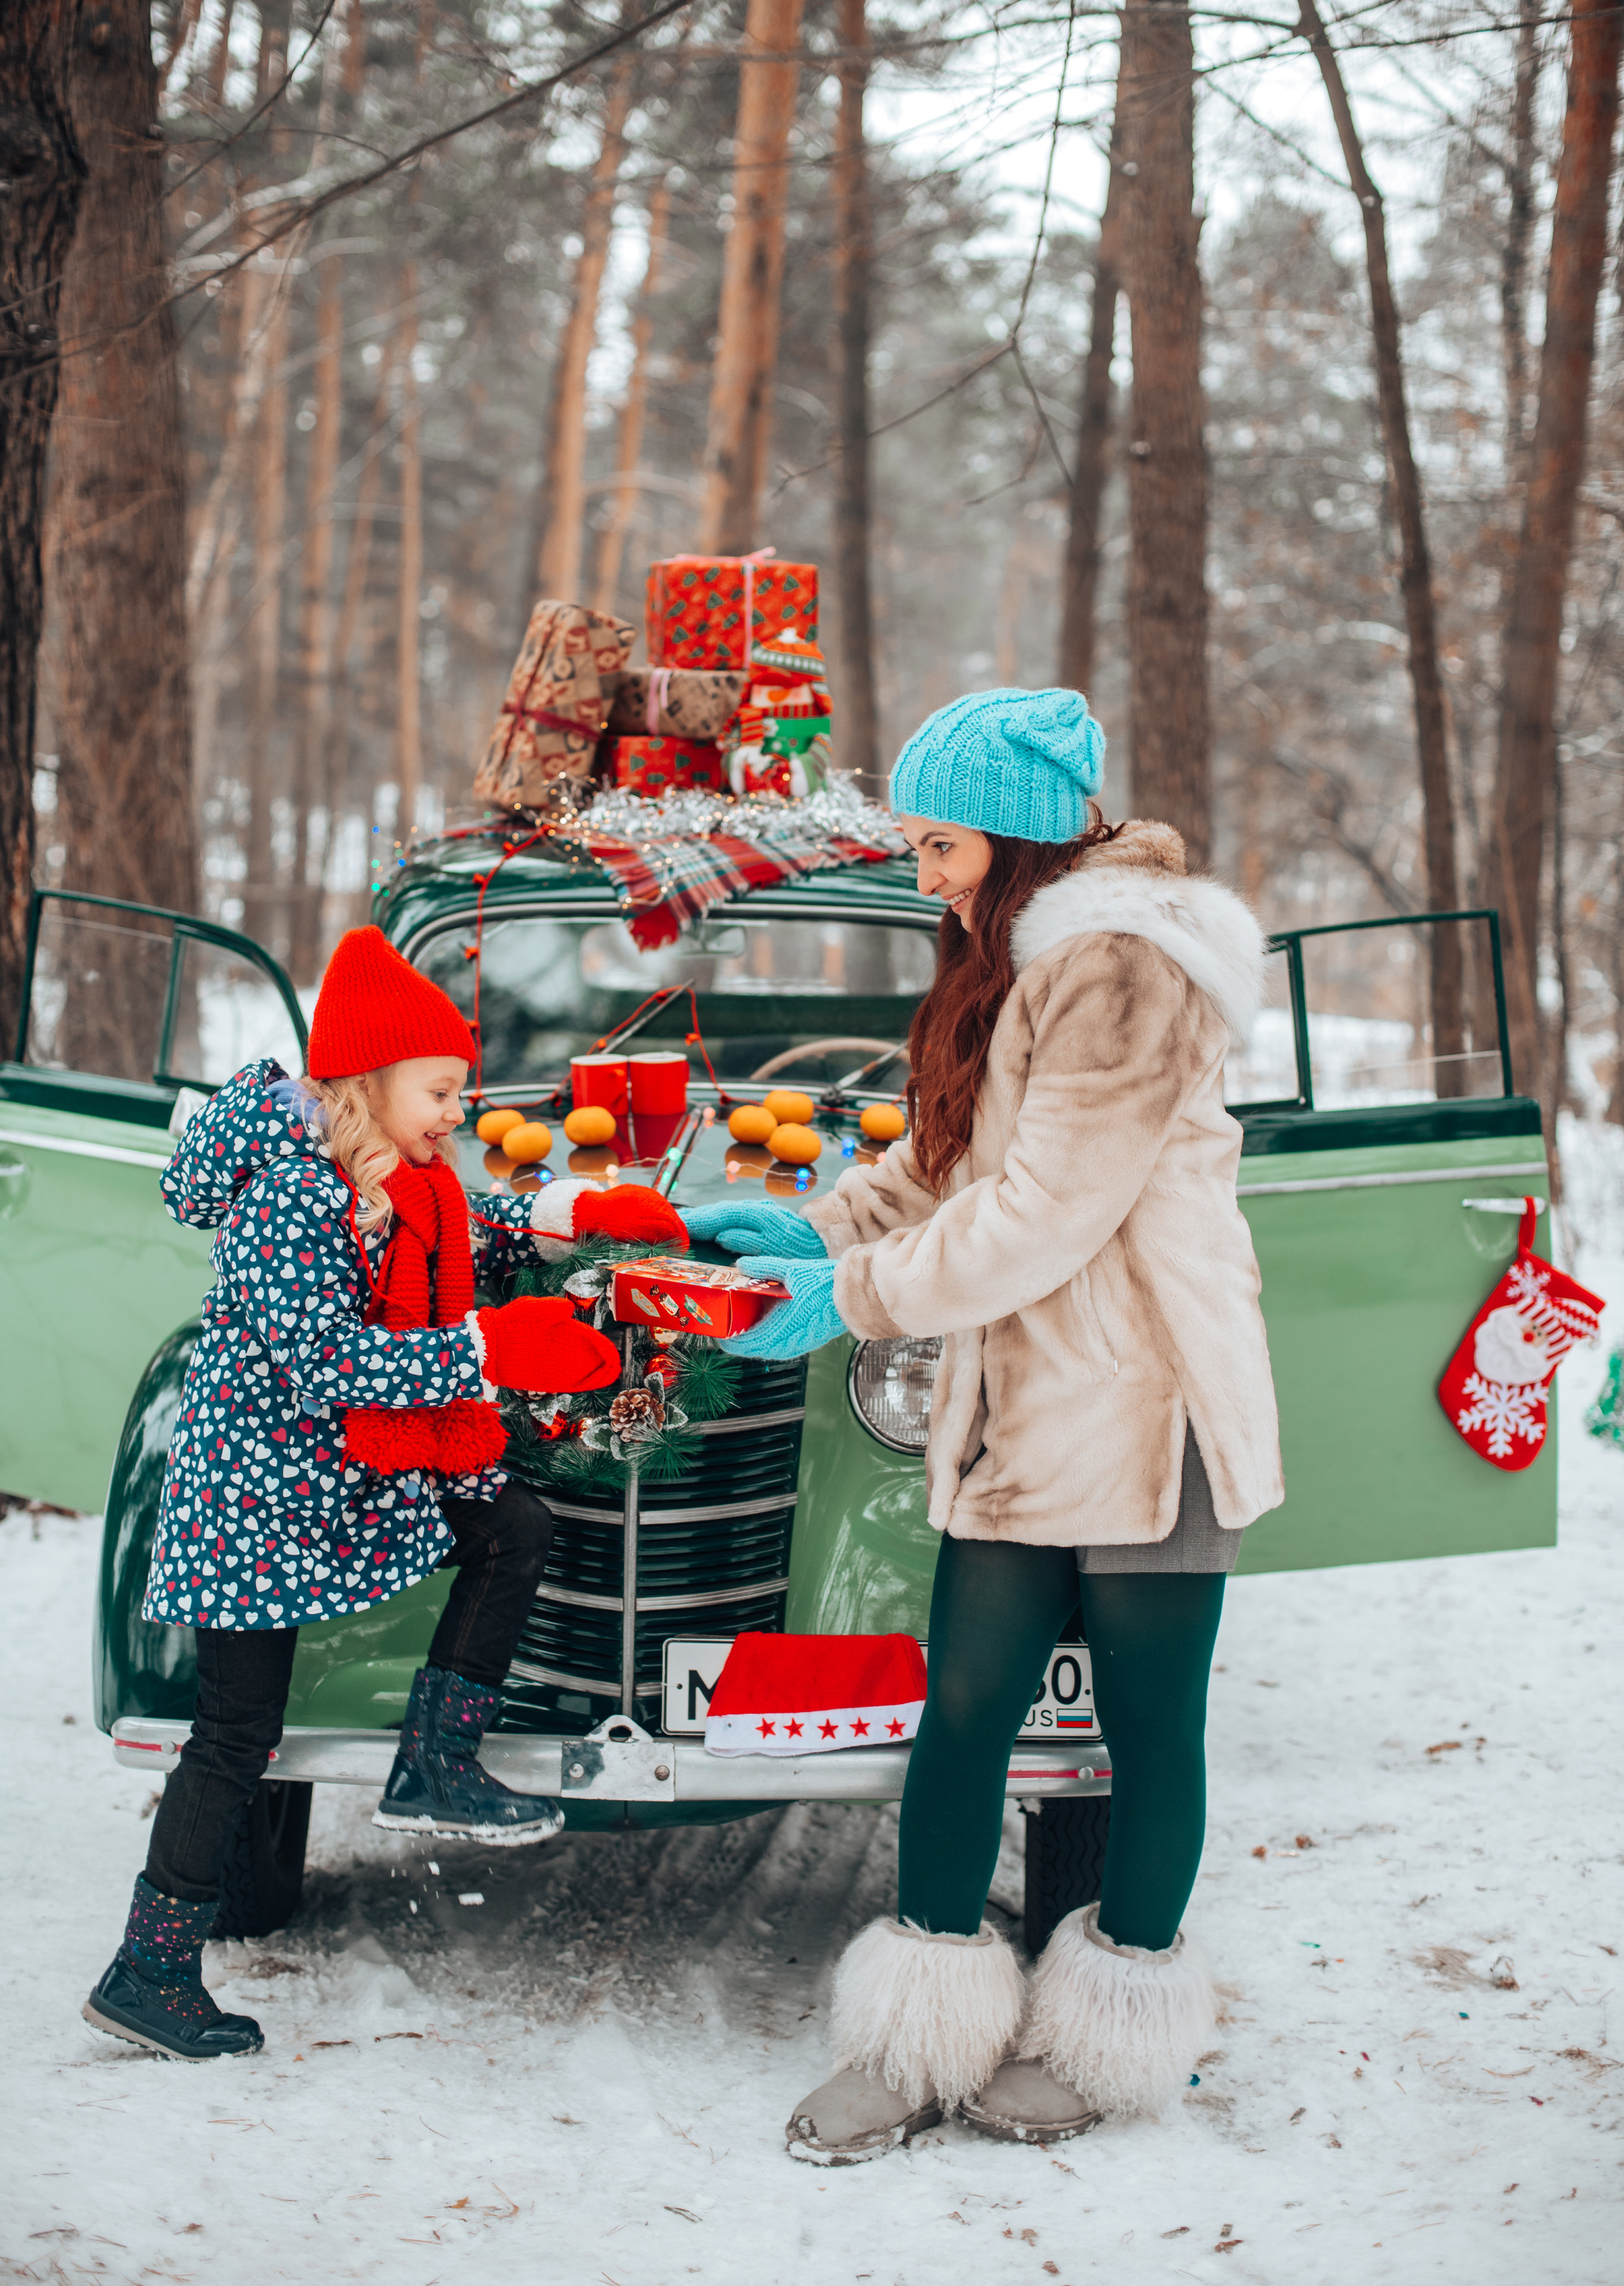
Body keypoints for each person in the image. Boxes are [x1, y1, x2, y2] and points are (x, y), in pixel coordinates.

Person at [683, 686, 1282, 2161]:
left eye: (937, 845)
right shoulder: (1005, 957)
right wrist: (809, 1232)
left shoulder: (1124, 969)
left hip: (1146, 1406)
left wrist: (853, 1301)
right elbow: (946, 1163)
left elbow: (1040, 1216)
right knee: (961, 1715)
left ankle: (1106, 2036)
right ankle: (911, 2041)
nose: (920, 874)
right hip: (1025, 1407)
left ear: (1010, 836)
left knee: (1146, 1734)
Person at [84, 927, 686, 2064]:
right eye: (444, 1089)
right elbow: (329, 1362)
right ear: (370, 1081)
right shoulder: (290, 1195)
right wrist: (489, 1348)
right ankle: (148, 1968)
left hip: (339, 1474)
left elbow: (461, 1223)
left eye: (462, 1090)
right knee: (232, 1735)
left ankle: (436, 1762)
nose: (460, 1109)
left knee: (512, 1525)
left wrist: (570, 1214)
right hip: (257, 1500)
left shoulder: (390, 1176)